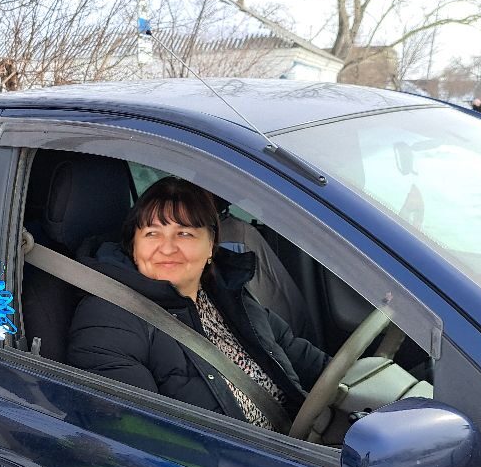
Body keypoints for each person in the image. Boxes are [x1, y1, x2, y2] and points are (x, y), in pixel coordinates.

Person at [67, 176, 327, 431]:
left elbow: (299, 354)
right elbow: (135, 431)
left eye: (184, 233)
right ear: (134, 247)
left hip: (301, 440)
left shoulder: (227, 294)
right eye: (152, 233)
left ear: (211, 246)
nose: (167, 248)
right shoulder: (109, 316)